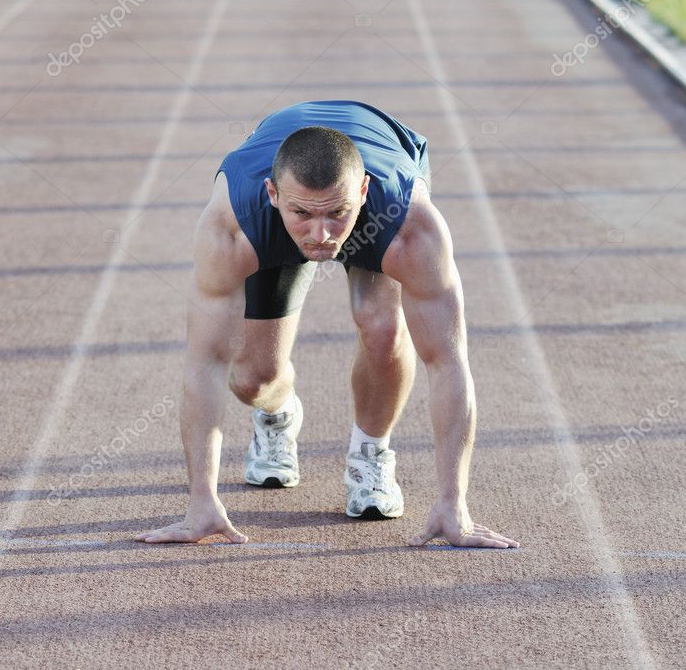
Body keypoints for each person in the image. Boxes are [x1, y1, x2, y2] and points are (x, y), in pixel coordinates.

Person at [136, 100, 519, 549]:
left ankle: (371, 454)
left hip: (379, 196)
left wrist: (454, 501)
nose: (321, 235)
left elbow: (448, 362)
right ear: (273, 194)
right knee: (253, 377)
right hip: (279, 210)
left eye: (335, 214)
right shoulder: (231, 227)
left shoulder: (411, 228)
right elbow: (205, 362)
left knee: (381, 327)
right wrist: (201, 500)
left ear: (362, 191)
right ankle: (279, 415)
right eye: (303, 215)